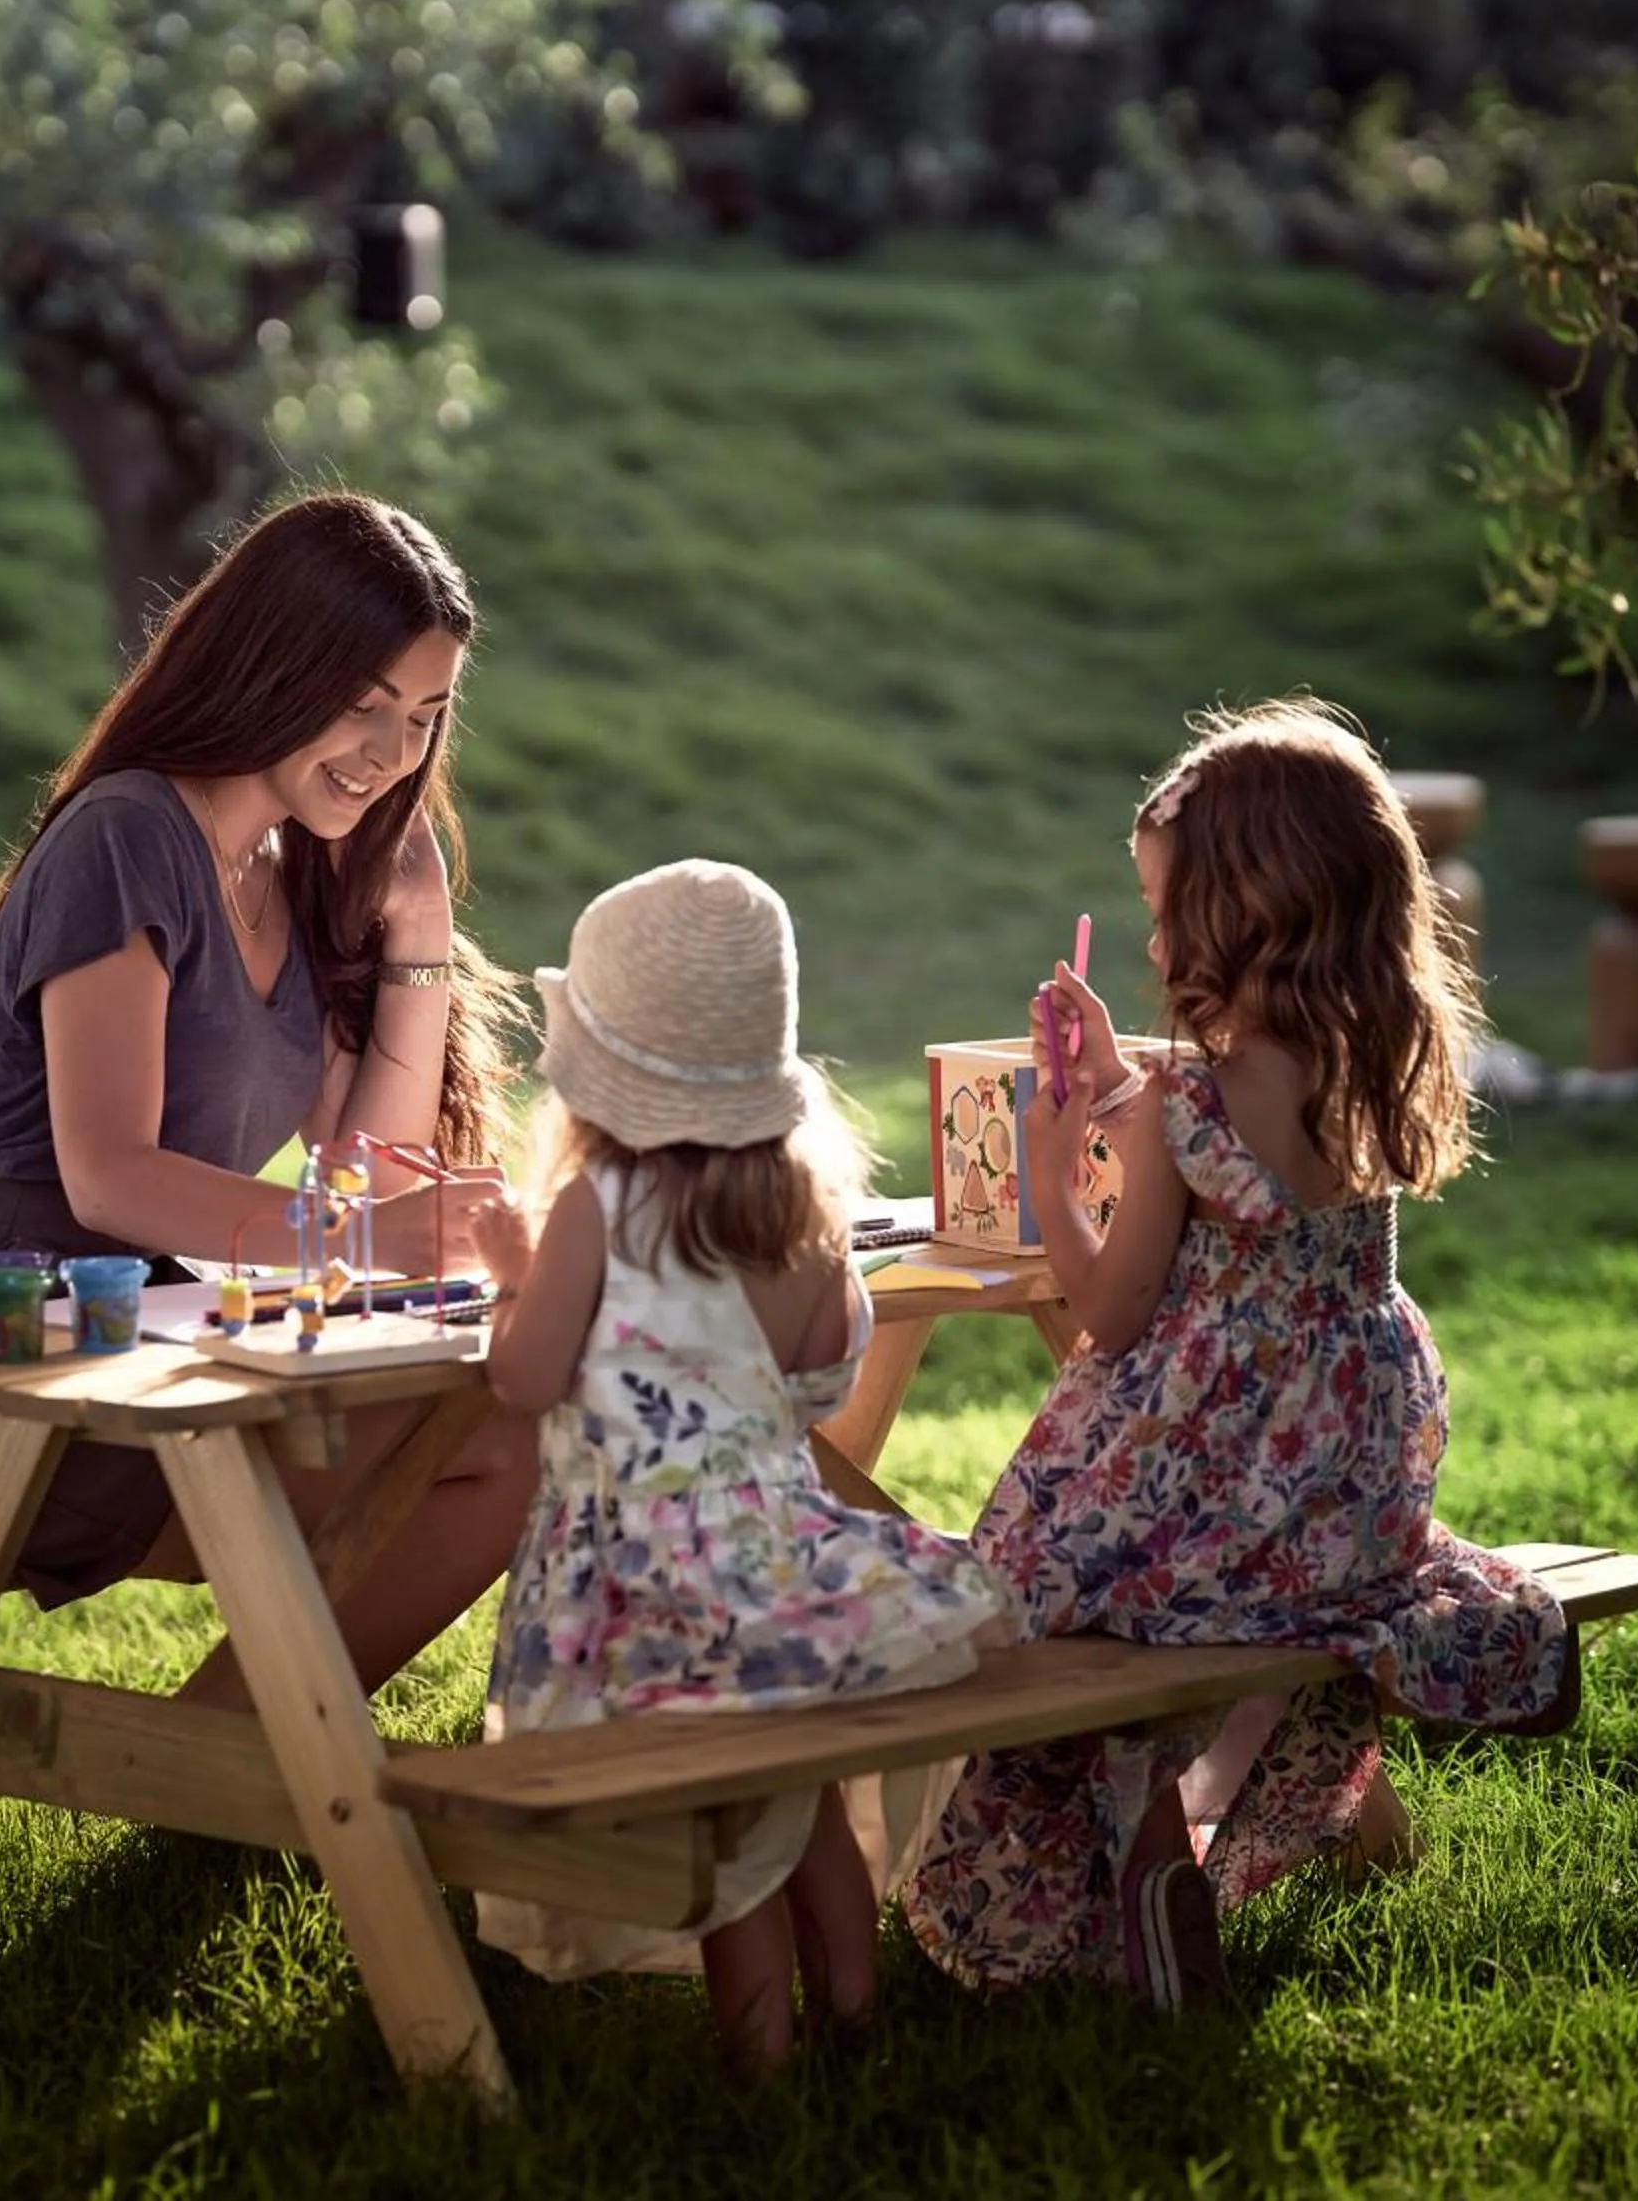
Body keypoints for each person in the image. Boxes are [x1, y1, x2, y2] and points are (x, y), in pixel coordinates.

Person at [902, 699, 1576, 2011]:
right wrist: (1124, 1079)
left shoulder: (1182, 1107)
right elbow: (1230, 1121)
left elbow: (1108, 1308)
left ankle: (1140, 1864)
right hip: (1348, 1505)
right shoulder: (1365, 1058)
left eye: (1165, 911)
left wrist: (1060, 1171)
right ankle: (1265, 1827)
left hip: (1217, 1504)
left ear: (1238, 913)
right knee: (1135, 1585)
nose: (1153, 940)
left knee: (1031, 1577)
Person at [0, 493, 534, 1700]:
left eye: (425, 719)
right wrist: (360, 1237)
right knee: (504, 1443)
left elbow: (368, 1166)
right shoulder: (125, 840)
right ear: (274, 665)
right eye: (365, 706)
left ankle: (236, 1757)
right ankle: (249, 1768)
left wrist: (422, 926)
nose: (394, 755)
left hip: (174, 1346)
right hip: (18, 1366)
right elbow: (110, 1175)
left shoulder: (295, 861)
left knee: (512, 1432)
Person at [467, 860, 1005, 2073]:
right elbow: (826, 1372)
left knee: (726, 1825)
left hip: (656, 1588)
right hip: (784, 1559)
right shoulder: (803, 1210)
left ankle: (761, 2072)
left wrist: (510, 1273)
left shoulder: (599, 1207)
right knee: (804, 1791)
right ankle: (856, 2023)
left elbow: (525, 1378)